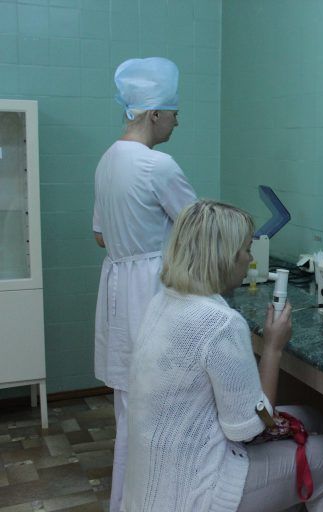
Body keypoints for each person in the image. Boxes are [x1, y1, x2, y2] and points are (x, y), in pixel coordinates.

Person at [122, 200, 323, 511]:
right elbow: (248, 428)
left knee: (313, 417)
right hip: (197, 493)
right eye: (247, 250)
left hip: (153, 483)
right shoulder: (220, 323)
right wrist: (273, 348)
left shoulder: (162, 301)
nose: (250, 259)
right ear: (226, 257)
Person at [92, 57, 197, 511]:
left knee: (130, 414)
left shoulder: (107, 160)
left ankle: (127, 500)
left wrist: (134, 240)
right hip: (152, 295)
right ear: (154, 113)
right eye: (173, 112)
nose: (177, 121)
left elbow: (100, 235)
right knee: (163, 410)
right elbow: (202, 231)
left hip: (119, 292)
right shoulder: (158, 165)